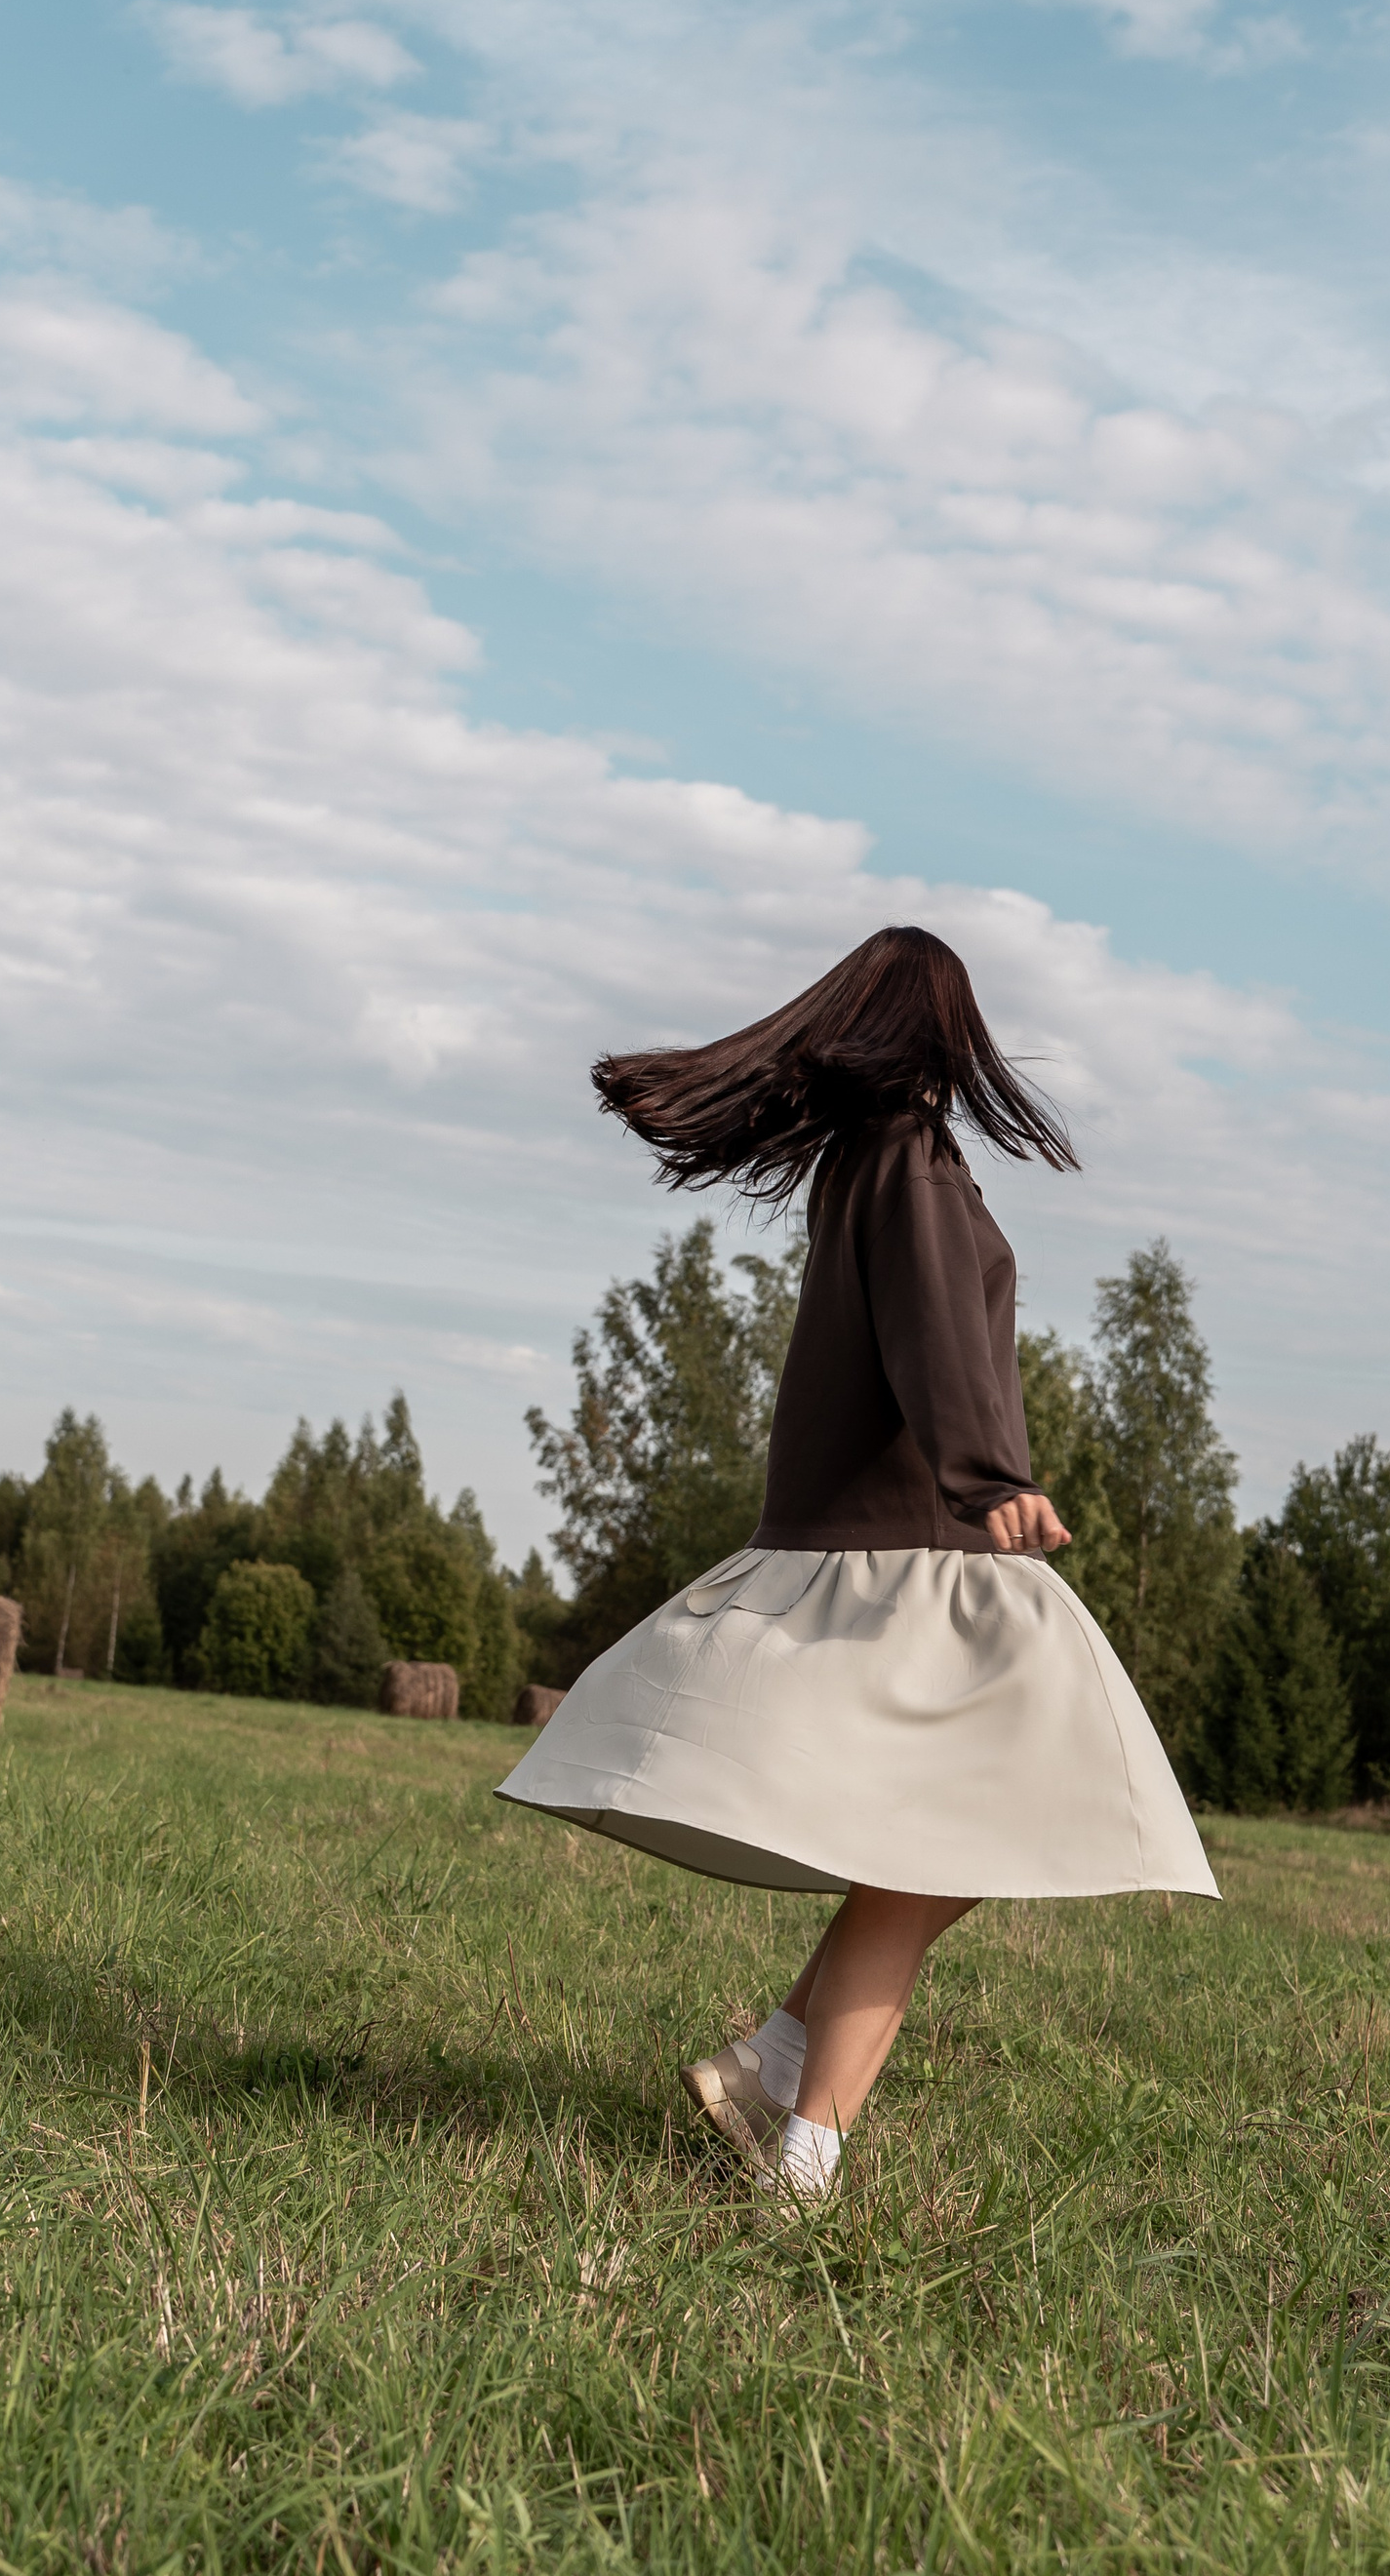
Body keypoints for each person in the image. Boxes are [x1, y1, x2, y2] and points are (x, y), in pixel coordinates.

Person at [496, 926, 1217, 2203]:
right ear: (943, 1031)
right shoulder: (910, 1159)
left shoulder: (866, 1159)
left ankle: (769, 2069)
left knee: (952, 1844)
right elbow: (936, 1331)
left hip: (884, 1540)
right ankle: (802, 2165)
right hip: (922, 1547)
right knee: (948, 1847)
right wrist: (991, 1478)